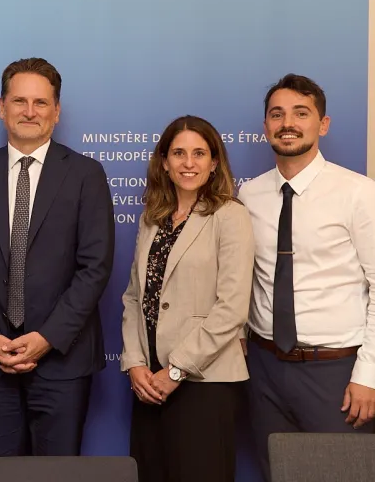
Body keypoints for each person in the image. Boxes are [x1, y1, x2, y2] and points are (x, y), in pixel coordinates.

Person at [0, 57, 115, 456]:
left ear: (56, 111)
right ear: (2, 107)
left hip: (63, 363)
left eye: (41, 103)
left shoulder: (86, 175)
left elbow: (95, 267)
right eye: (19, 101)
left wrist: (46, 338)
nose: (29, 111)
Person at [240, 74, 375, 477]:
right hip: (264, 369)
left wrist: (370, 375)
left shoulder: (360, 194)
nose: (288, 123)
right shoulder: (249, 196)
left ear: (323, 124)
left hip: (335, 373)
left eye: (301, 113)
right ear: (265, 126)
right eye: (277, 114)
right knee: (274, 473)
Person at [121, 115, 254, 482]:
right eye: (179, 153)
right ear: (164, 162)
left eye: (199, 153)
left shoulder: (230, 216)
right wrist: (135, 363)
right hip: (149, 383)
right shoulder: (153, 217)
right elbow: (134, 297)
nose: (188, 163)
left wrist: (177, 370)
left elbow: (232, 307)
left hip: (204, 382)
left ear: (214, 162)